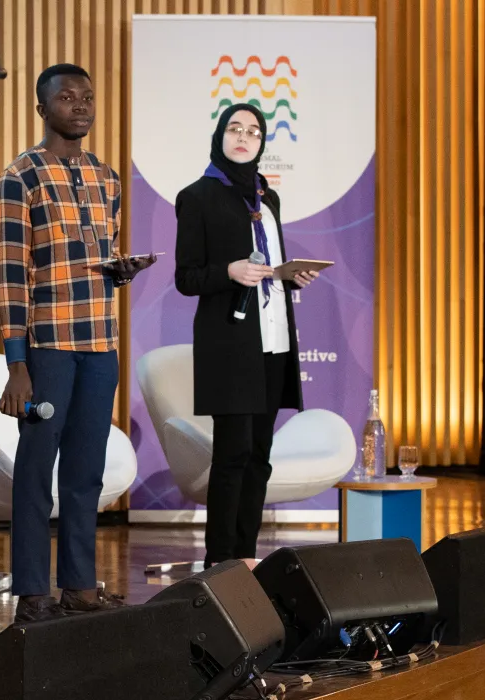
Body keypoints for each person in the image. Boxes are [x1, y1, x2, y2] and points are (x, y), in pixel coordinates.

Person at [0, 64, 154, 624]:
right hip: (47, 346)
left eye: (88, 97)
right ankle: (33, 591)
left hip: (100, 343)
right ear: (42, 109)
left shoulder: (107, 177)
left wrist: (120, 271)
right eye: (67, 98)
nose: (81, 106)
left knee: (86, 469)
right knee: (38, 469)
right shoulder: (21, 176)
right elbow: (12, 273)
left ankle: (79, 586)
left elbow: (93, 259)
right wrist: (17, 363)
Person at [173, 103, 321, 568]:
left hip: (273, 337)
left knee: (259, 456)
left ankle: (248, 559)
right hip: (230, 343)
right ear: (220, 136)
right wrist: (229, 271)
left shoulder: (266, 197)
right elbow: (187, 277)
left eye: (254, 131)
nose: (244, 137)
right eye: (235, 129)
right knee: (233, 456)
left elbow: (269, 262)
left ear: (262, 143)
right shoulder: (197, 196)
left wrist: (288, 275)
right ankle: (221, 563)